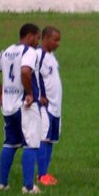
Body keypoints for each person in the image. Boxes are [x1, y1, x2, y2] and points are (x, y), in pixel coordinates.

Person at [0, 23, 43, 194]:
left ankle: (3, 184)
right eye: (37, 37)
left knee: (10, 143)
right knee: (30, 144)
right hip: (24, 105)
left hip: (8, 107)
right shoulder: (29, 52)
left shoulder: (7, 51)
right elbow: (26, 72)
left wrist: (1, 92)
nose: (37, 42)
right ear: (30, 35)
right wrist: (30, 93)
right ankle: (28, 186)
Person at [36, 26, 62, 186]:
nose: (58, 43)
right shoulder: (38, 55)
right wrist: (40, 96)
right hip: (45, 106)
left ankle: (45, 172)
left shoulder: (51, 56)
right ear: (45, 38)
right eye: (55, 39)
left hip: (56, 106)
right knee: (44, 138)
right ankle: (41, 175)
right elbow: (31, 75)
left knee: (51, 139)